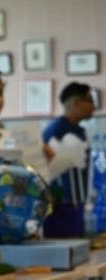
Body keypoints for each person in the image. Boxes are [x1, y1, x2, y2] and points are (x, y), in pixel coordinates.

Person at [42, 82, 96, 238]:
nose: (94, 107)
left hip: (77, 204)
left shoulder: (78, 131)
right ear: (76, 103)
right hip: (60, 207)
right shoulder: (56, 130)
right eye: (90, 101)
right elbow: (42, 168)